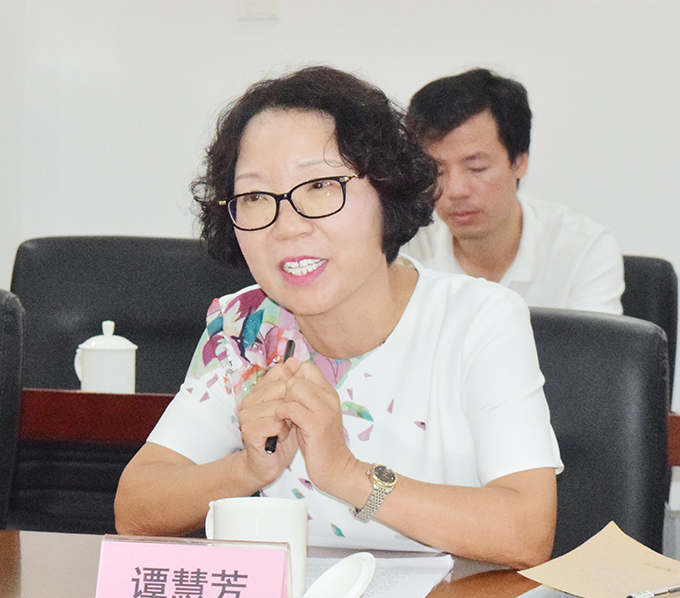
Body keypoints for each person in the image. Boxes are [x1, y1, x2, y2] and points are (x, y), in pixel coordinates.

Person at [114, 66, 562, 569]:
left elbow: (527, 531)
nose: (288, 226)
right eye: (256, 197)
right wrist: (247, 469)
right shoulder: (245, 328)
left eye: (321, 186)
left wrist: (348, 474)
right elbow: (135, 508)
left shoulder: (476, 320)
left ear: (387, 190)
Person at [403, 68, 625, 314]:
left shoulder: (583, 251)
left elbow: (594, 341)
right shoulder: (405, 249)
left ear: (520, 161)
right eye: (435, 171)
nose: (455, 191)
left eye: (477, 168)